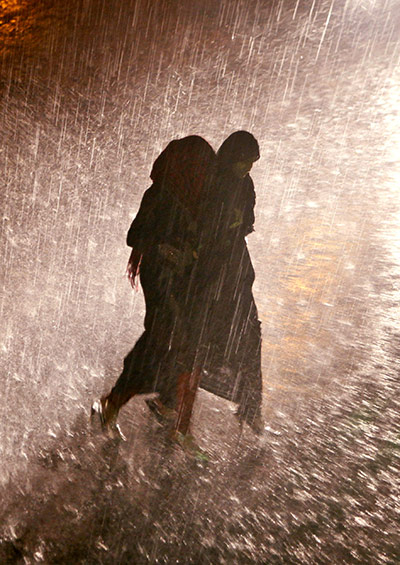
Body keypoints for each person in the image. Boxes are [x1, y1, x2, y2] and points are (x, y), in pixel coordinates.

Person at [91, 135, 216, 446]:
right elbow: (135, 235)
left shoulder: (192, 196)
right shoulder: (160, 194)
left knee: (174, 342)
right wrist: (170, 252)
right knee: (168, 339)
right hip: (160, 277)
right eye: (199, 167)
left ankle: (161, 406)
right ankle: (123, 403)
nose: (203, 175)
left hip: (181, 279)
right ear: (185, 166)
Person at [196, 131, 263, 434]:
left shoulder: (244, 184)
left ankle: (249, 406)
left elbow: (246, 222)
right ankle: (201, 385)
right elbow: (203, 223)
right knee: (210, 332)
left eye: (251, 164)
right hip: (214, 268)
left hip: (235, 268)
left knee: (250, 333)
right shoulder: (213, 181)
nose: (247, 168)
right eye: (243, 162)